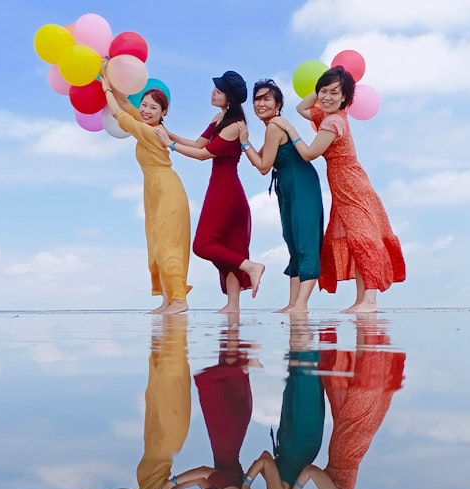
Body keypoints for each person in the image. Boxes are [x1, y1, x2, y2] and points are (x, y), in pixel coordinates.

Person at [270, 66, 406, 313]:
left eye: (335, 93)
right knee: (356, 240)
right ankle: (362, 300)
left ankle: (370, 301)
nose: (327, 97)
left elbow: (310, 154)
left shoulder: (333, 121)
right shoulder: (327, 116)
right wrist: (323, 88)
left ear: (345, 98)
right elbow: (302, 108)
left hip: (352, 185)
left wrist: (291, 130)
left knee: (363, 238)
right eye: (324, 91)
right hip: (343, 185)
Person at [275, 318, 406, 489]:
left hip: (346, 447)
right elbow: (311, 471)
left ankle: (361, 331)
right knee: (361, 391)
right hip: (349, 447)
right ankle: (368, 330)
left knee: (343, 392)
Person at [160, 71, 265, 313]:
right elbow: (198, 143)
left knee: (202, 245)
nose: (213, 93)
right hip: (220, 186)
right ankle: (233, 305)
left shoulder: (235, 126)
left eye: (218, 91)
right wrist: (165, 132)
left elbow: (203, 155)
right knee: (228, 246)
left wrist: (170, 145)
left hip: (226, 189)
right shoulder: (220, 118)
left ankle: (251, 267)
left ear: (229, 97)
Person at [102, 71, 192, 314]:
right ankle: (167, 301)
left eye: (153, 107)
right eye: (144, 105)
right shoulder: (144, 125)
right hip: (153, 190)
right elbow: (125, 105)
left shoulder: (150, 132)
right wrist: (108, 76)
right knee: (155, 246)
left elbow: (117, 113)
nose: (146, 110)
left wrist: (106, 89)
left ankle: (180, 300)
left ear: (164, 113)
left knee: (167, 245)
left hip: (167, 188)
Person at [168, 316, 259, 489]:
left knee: (215, 387)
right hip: (228, 436)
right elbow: (204, 471)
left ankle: (232, 331)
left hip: (220, 440)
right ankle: (237, 338)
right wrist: (171, 483)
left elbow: (200, 481)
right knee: (212, 385)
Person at [237, 79, 324, 313]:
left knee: (304, 240)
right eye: (257, 99)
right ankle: (293, 303)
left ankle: (301, 304)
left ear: (278, 104)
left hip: (301, 184)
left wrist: (244, 143)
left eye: (267, 99)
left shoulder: (275, 126)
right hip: (287, 186)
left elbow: (263, 166)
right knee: (292, 241)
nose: (260, 103)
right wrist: (246, 145)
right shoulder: (271, 128)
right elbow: (262, 160)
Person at [106, 316, 191, 489]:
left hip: (157, 436)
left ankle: (165, 330)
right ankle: (173, 328)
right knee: (168, 386)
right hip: (166, 436)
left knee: (157, 389)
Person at [246, 314, 325, 489]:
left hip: (300, 440)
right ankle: (300, 321)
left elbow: (266, 464)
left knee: (298, 379)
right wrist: (245, 484)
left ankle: (300, 323)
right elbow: (264, 459)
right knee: (303, 378)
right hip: (299, 439)